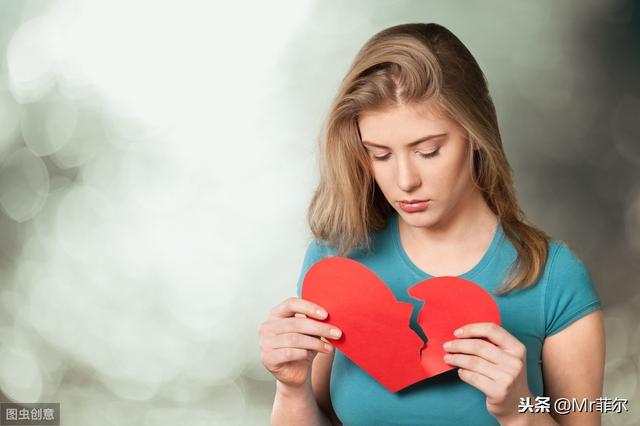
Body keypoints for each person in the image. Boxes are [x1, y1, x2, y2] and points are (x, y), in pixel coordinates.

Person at [259, 22, 605, 425]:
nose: (405, 180)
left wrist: (520, 411)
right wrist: (290, 386)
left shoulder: (555, 279)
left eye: (428, 150)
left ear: (476, 134)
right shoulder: (336, 262)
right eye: (380, 154)